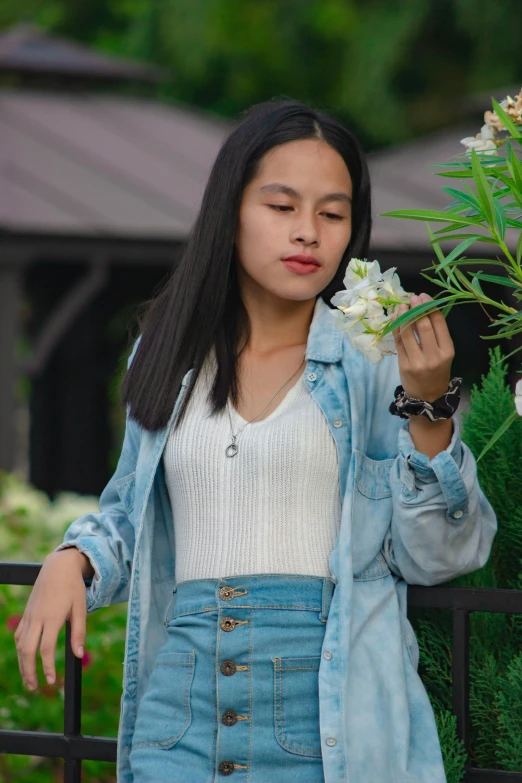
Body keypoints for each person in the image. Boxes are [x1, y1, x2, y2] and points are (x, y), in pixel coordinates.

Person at [14, 98, 497, 783]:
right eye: (281, 206)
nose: (308, 233)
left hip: (323, 716)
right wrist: (74, 557)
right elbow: (129, 514)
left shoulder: (375, 358)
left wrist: (430, 409)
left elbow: (441, 554)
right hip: (176, 708)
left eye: (333, 214)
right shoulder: (166, 353)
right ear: (231, 210)